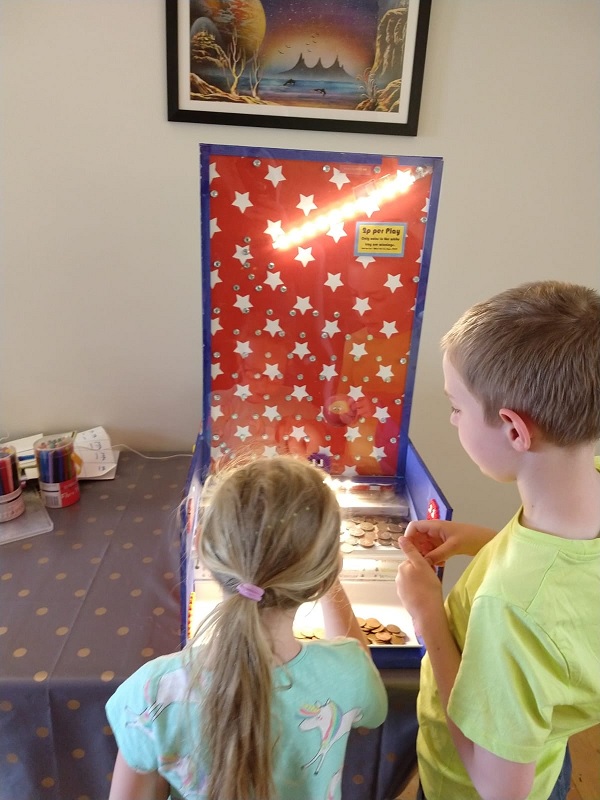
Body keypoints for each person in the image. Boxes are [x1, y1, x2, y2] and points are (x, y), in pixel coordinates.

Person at [395, 280, 600, 800]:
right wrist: (484, 542)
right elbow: (572, 580)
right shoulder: (586, 483)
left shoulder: (511, 610)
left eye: (457, 408)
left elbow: (496, 788)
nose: (453, 419)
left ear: (514, 430)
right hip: (545, 749)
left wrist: (429, 620)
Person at [105, 455, 388, 800]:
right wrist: (328, 578)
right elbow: (373, 708)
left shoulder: (151, 692)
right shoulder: (348, 672)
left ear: (203, 550)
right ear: (326, 572)